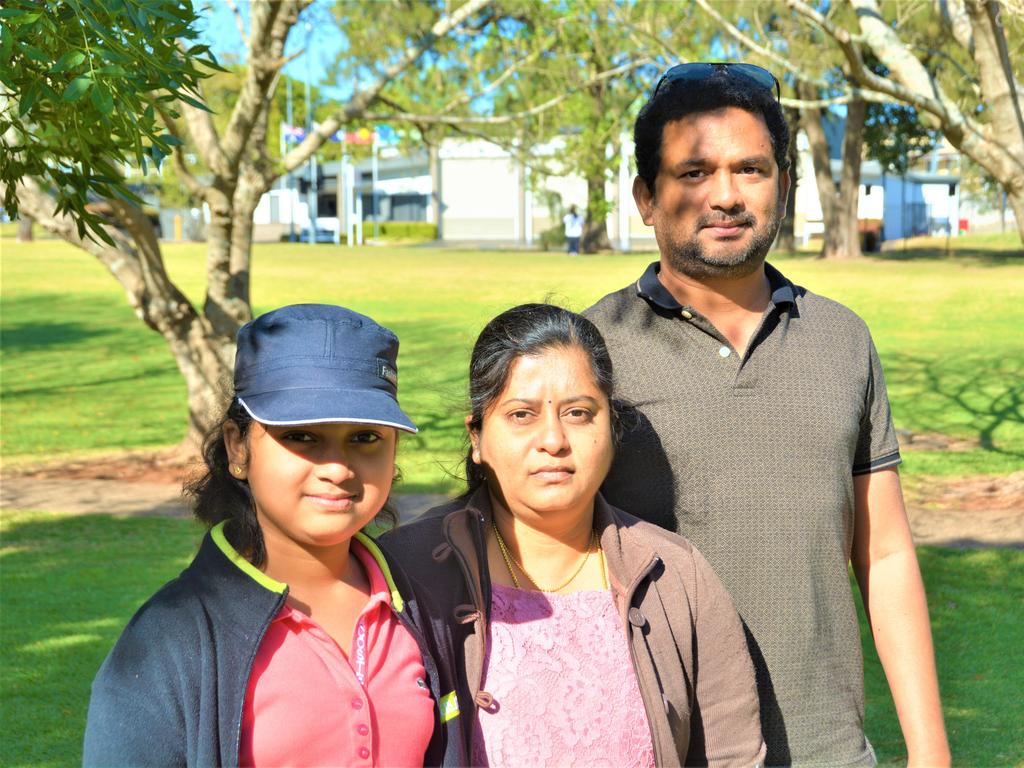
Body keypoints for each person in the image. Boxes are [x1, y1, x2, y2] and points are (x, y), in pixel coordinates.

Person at [584, 63, 950, 766]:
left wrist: (931, 752)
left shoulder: (843, 339)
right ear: (646, 198)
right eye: (692, 173)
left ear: (783, 184)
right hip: (655, 750)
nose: (724, 196)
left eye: (750, 169)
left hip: (829, 749)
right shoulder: (590, 351)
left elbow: (886, 553)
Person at [383, 303, 766, 767]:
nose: (554, 439)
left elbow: (733, 754)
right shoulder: (404, 572)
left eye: (579, 413)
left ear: (611, 427)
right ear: (477, 438)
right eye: (521, 414)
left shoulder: (673, 575)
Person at [83, 304, 463, 767]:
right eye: (301, 437)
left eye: (365, 438)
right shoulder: (170, 639)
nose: (338, 468)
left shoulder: (424, 605)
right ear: (238, 446)